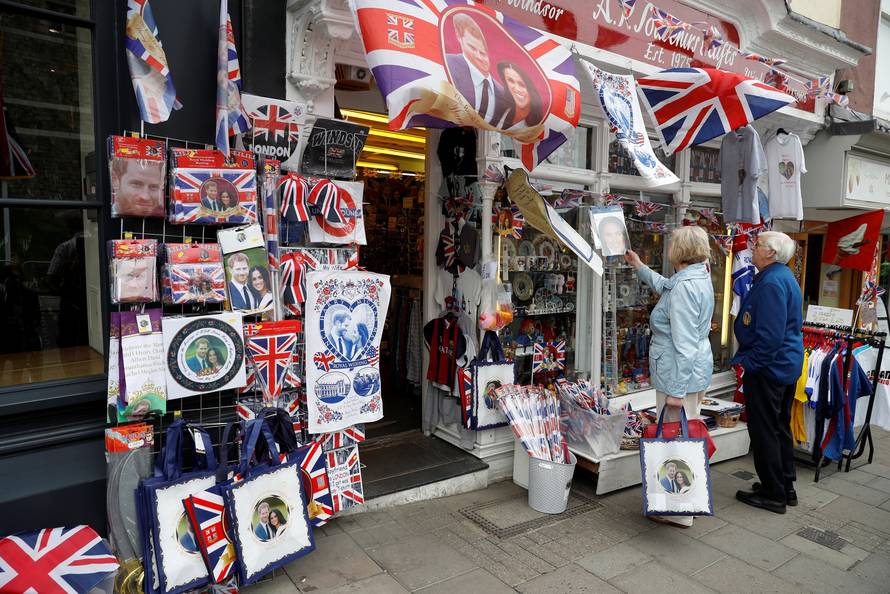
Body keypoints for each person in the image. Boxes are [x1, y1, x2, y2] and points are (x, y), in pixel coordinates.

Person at [625, 225, 714, 528]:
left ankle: (678, 509)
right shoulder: (696, 276)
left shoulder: (685, 287)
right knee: (681, 437)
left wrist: (675, 391)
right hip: (690, 370)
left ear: (677, 252)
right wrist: (639, 267)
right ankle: (677, 503)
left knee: (676, 440)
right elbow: (668, 286)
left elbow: (684, 345)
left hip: (678, 373)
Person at [732, 231, 803, 514]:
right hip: (783, 366)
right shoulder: (781, 277)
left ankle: (774, 494)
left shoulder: (773, 282)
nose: (753, 248)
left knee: (765, 431)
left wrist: (751, 364)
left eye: (758, 245)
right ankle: (785, 486)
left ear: (772, 253)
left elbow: (770, 337)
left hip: (769, 369)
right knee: (779, 427)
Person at [444, 13, 509, 125]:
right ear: (459, 38)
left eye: (483, 53)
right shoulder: (447, 65)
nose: (478, 57)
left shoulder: (503, 94)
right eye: (472, 48)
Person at [496, 61, 543, 129]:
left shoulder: (540, 123)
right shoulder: (501, 111)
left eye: (522, 84)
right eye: (511, 81)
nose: (516, 88)